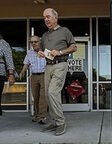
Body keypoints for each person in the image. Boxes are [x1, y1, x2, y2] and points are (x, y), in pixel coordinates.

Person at [38, 8, 77, 136]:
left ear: (56, 17)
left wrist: (60, 52)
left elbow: (74, 47)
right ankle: (54, 121)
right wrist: (40, 52)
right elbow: (43, 50)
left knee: (52, 92)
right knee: (47, 95)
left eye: (48, 16)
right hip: (48, 66)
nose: (46, 19)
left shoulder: (64, 31)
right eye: (44, 17)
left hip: (60, 64)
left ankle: (61, 122)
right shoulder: (44, 35)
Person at [20, 35, 47, 124]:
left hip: (44, 76)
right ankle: (37, 115)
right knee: (36, 97)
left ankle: (43, 116)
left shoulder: (45, 51)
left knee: (43, 97)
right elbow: (26, 64)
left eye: (35, 41)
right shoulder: (29, 52)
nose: (33, 43)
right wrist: (22, 72)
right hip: (34, 76)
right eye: (32, 42)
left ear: (39, 42)